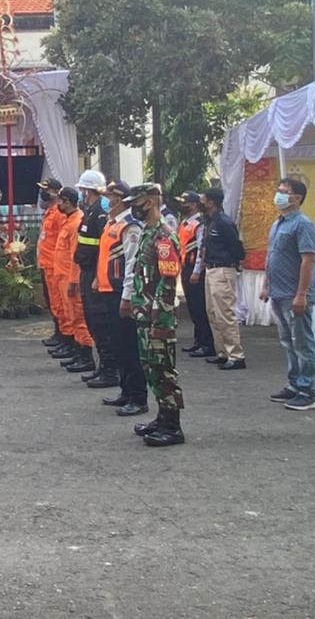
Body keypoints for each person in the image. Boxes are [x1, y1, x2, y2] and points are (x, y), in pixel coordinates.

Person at [122, 183, 186, 447]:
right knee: (151, 369)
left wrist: (159, 319)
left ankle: (173, 426)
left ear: (149, 202)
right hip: (144, 313)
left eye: (136, 202)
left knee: (164, 371)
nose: (132, 207)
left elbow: (168, 283)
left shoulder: (164, 236)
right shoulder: (149, 233)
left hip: (158, 317)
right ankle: (162, 417)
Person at [263, 177, 315, 410]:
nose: (278, 195)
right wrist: (266, 285)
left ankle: (309, 391)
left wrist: (302, 294)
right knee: (288, 341)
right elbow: (272, 257)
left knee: (303, 342)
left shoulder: (303, 224)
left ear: (296, 198)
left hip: (294, 293)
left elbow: (308, 260)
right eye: (278, 190)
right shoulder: (279, 223)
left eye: (284, 191)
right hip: (278, 292)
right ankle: (295, 384)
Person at [98, 180, 149, 416]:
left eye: (109, 196)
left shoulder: (130, 226)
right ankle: (126, 391)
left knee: (129, 348)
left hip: (122, 293)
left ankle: (138, 397)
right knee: (118, 346)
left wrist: (127, 296)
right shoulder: (113, 223)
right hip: (109, 290)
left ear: (118, 199)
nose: (106, 201)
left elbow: (131, 264)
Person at [74, 170, 117, 387]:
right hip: (87, 271)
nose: (81, 193)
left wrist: (99, 277)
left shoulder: (101, 213)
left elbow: (104, 249)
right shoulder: (90, 211)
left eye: (83, 189)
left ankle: (110, 371)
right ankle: (103, 367)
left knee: (100, 323)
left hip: (95, 274)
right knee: (92, 321)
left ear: (88, 190)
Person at [195, 188, 247, 368]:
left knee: (225, 313)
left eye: (202, 199)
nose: (199, 202)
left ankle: (236, 355)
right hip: (211, 270)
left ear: (211, 202)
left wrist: (235, 261)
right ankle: (223, 351)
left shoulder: (224, 222)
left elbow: (236, 246)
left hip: (223, 269)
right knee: (213, 313)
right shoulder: (210, 221)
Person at [53, 187, 94, 373]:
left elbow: (75, 257)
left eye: (60, 201)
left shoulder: (76, 222)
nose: (58, 205)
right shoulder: (69, 221)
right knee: (70, 315)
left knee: (78, 317)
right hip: (61, 276)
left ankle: (85, 356)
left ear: (68, 201)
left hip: (71, 278)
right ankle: (77, 352)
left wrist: (73, 280)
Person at [176, 192, 214, 359]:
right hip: (185, 268)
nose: (182, 205)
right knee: (193, 308)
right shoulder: (185, 223)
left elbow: (201, 249)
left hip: (194, 270)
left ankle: (207, 344)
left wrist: (197, 271)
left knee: (200, 308)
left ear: (193, 204)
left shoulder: (199, 223)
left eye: (184, 203)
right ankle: (198, 341)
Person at [36, 179, 66, 348]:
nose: (43, 194)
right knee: (52, 302)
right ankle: (59, 333)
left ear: (55, 192)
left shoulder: (59, 213)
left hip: (55, 265)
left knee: (59, 303)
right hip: (47, 263)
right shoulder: (49, 211)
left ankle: (64, 337)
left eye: (46, 190)